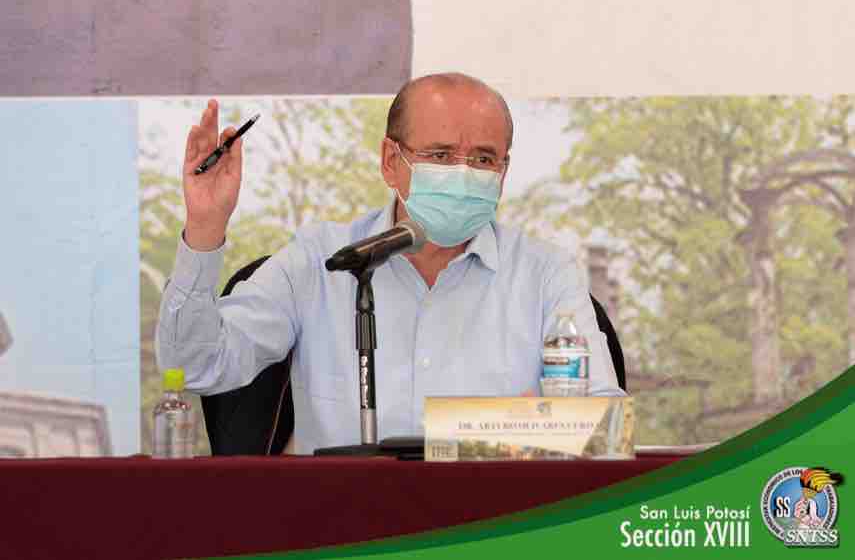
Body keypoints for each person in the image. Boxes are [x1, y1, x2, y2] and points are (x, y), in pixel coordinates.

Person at [156, 72, 625, 454]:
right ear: (389, 160)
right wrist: (205, 226)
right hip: (345, 524)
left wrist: (480, 431)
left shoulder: (545, 273)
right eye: (440, 155)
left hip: (496, 524)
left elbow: (606, 427)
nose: (463, 174)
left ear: (504, 172)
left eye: (484, 159)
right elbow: (196, 365)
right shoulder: (322, 261)